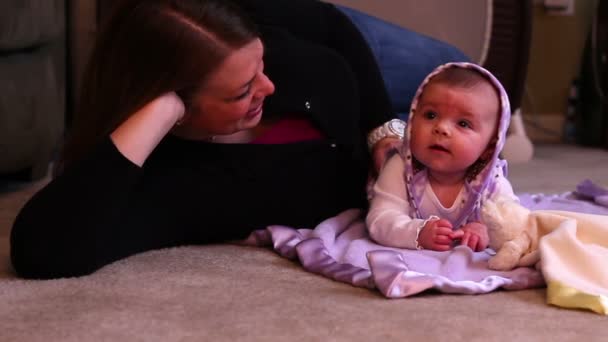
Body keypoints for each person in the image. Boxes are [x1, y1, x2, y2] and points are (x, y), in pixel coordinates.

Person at [10, 0, 405, 279]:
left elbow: (329, 24)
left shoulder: (229, 26)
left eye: (261, 65)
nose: (267, 86)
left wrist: (382, 128)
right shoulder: (173, 183)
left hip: (365, 65)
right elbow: (42, 250)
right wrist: (159, 111)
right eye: (242, 91)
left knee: (457, 67)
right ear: (178, 106)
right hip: (375, 153)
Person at [366, 62, 518, 252]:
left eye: (463, 123)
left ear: (489, 147)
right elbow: (380, 218)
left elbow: (513, 222)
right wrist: (417, 233)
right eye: (430, 115)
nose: (441, 128)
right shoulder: (401, 166)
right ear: (412, 119)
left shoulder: (492, 182)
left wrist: (486, 231)